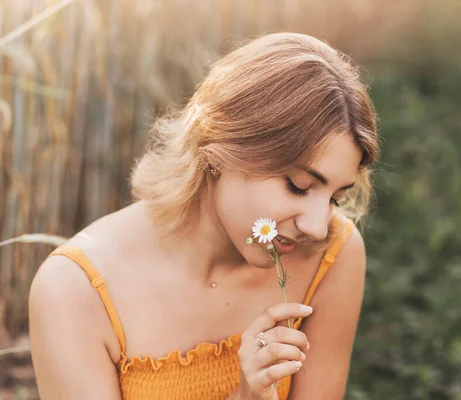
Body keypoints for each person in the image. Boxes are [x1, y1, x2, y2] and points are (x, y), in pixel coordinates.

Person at [28, 32, 380, 400]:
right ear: (218, 147)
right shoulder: (74, 291)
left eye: (335, 199)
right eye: (298, 185)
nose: (316, 225)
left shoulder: (331, 256)